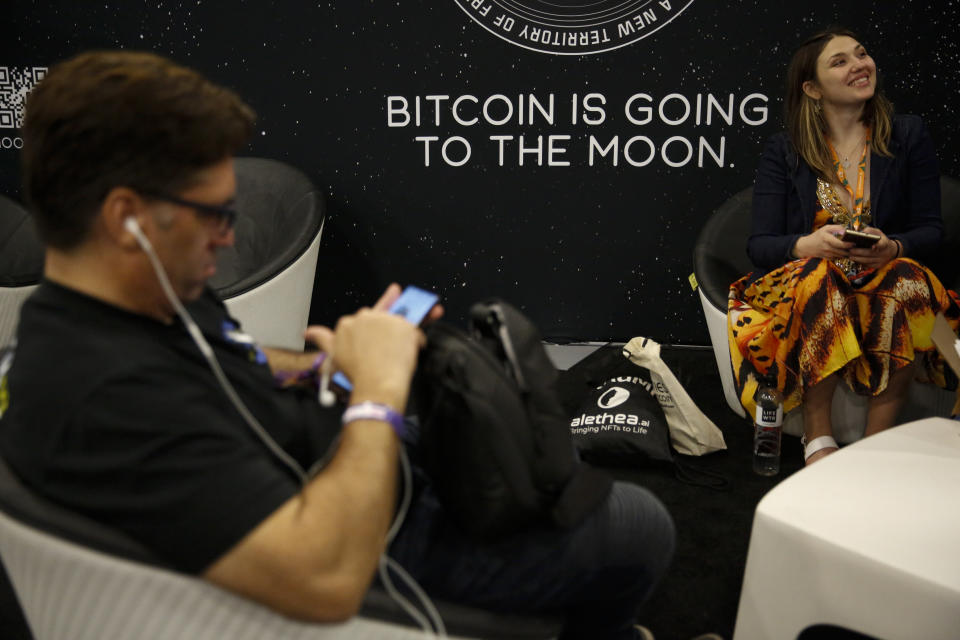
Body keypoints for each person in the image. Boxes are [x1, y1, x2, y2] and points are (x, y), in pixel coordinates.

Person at [0, 50, 680, 639]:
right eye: (213, 214)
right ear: (126, 217)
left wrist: (336, 361)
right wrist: (377, 394)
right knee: (636, 524)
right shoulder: (106, 396)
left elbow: (234, 360)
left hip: (333, 463)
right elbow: (323, 580)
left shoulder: (131, 303)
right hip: (368, 550)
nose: (229, 237)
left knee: (520, 448)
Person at [727, 27, 960, 465]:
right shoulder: (785, 150)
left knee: (907, 276)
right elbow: (759, 246)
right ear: (812, 89)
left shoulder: (907, 135)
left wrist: (893, 246)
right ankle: (818, 438)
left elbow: (932, 230)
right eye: (840, 61)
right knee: (820, 273)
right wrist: (806, 244)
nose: (859, 65)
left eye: (862, 54)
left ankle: (875, 445)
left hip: (883, 277)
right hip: (806, 282)